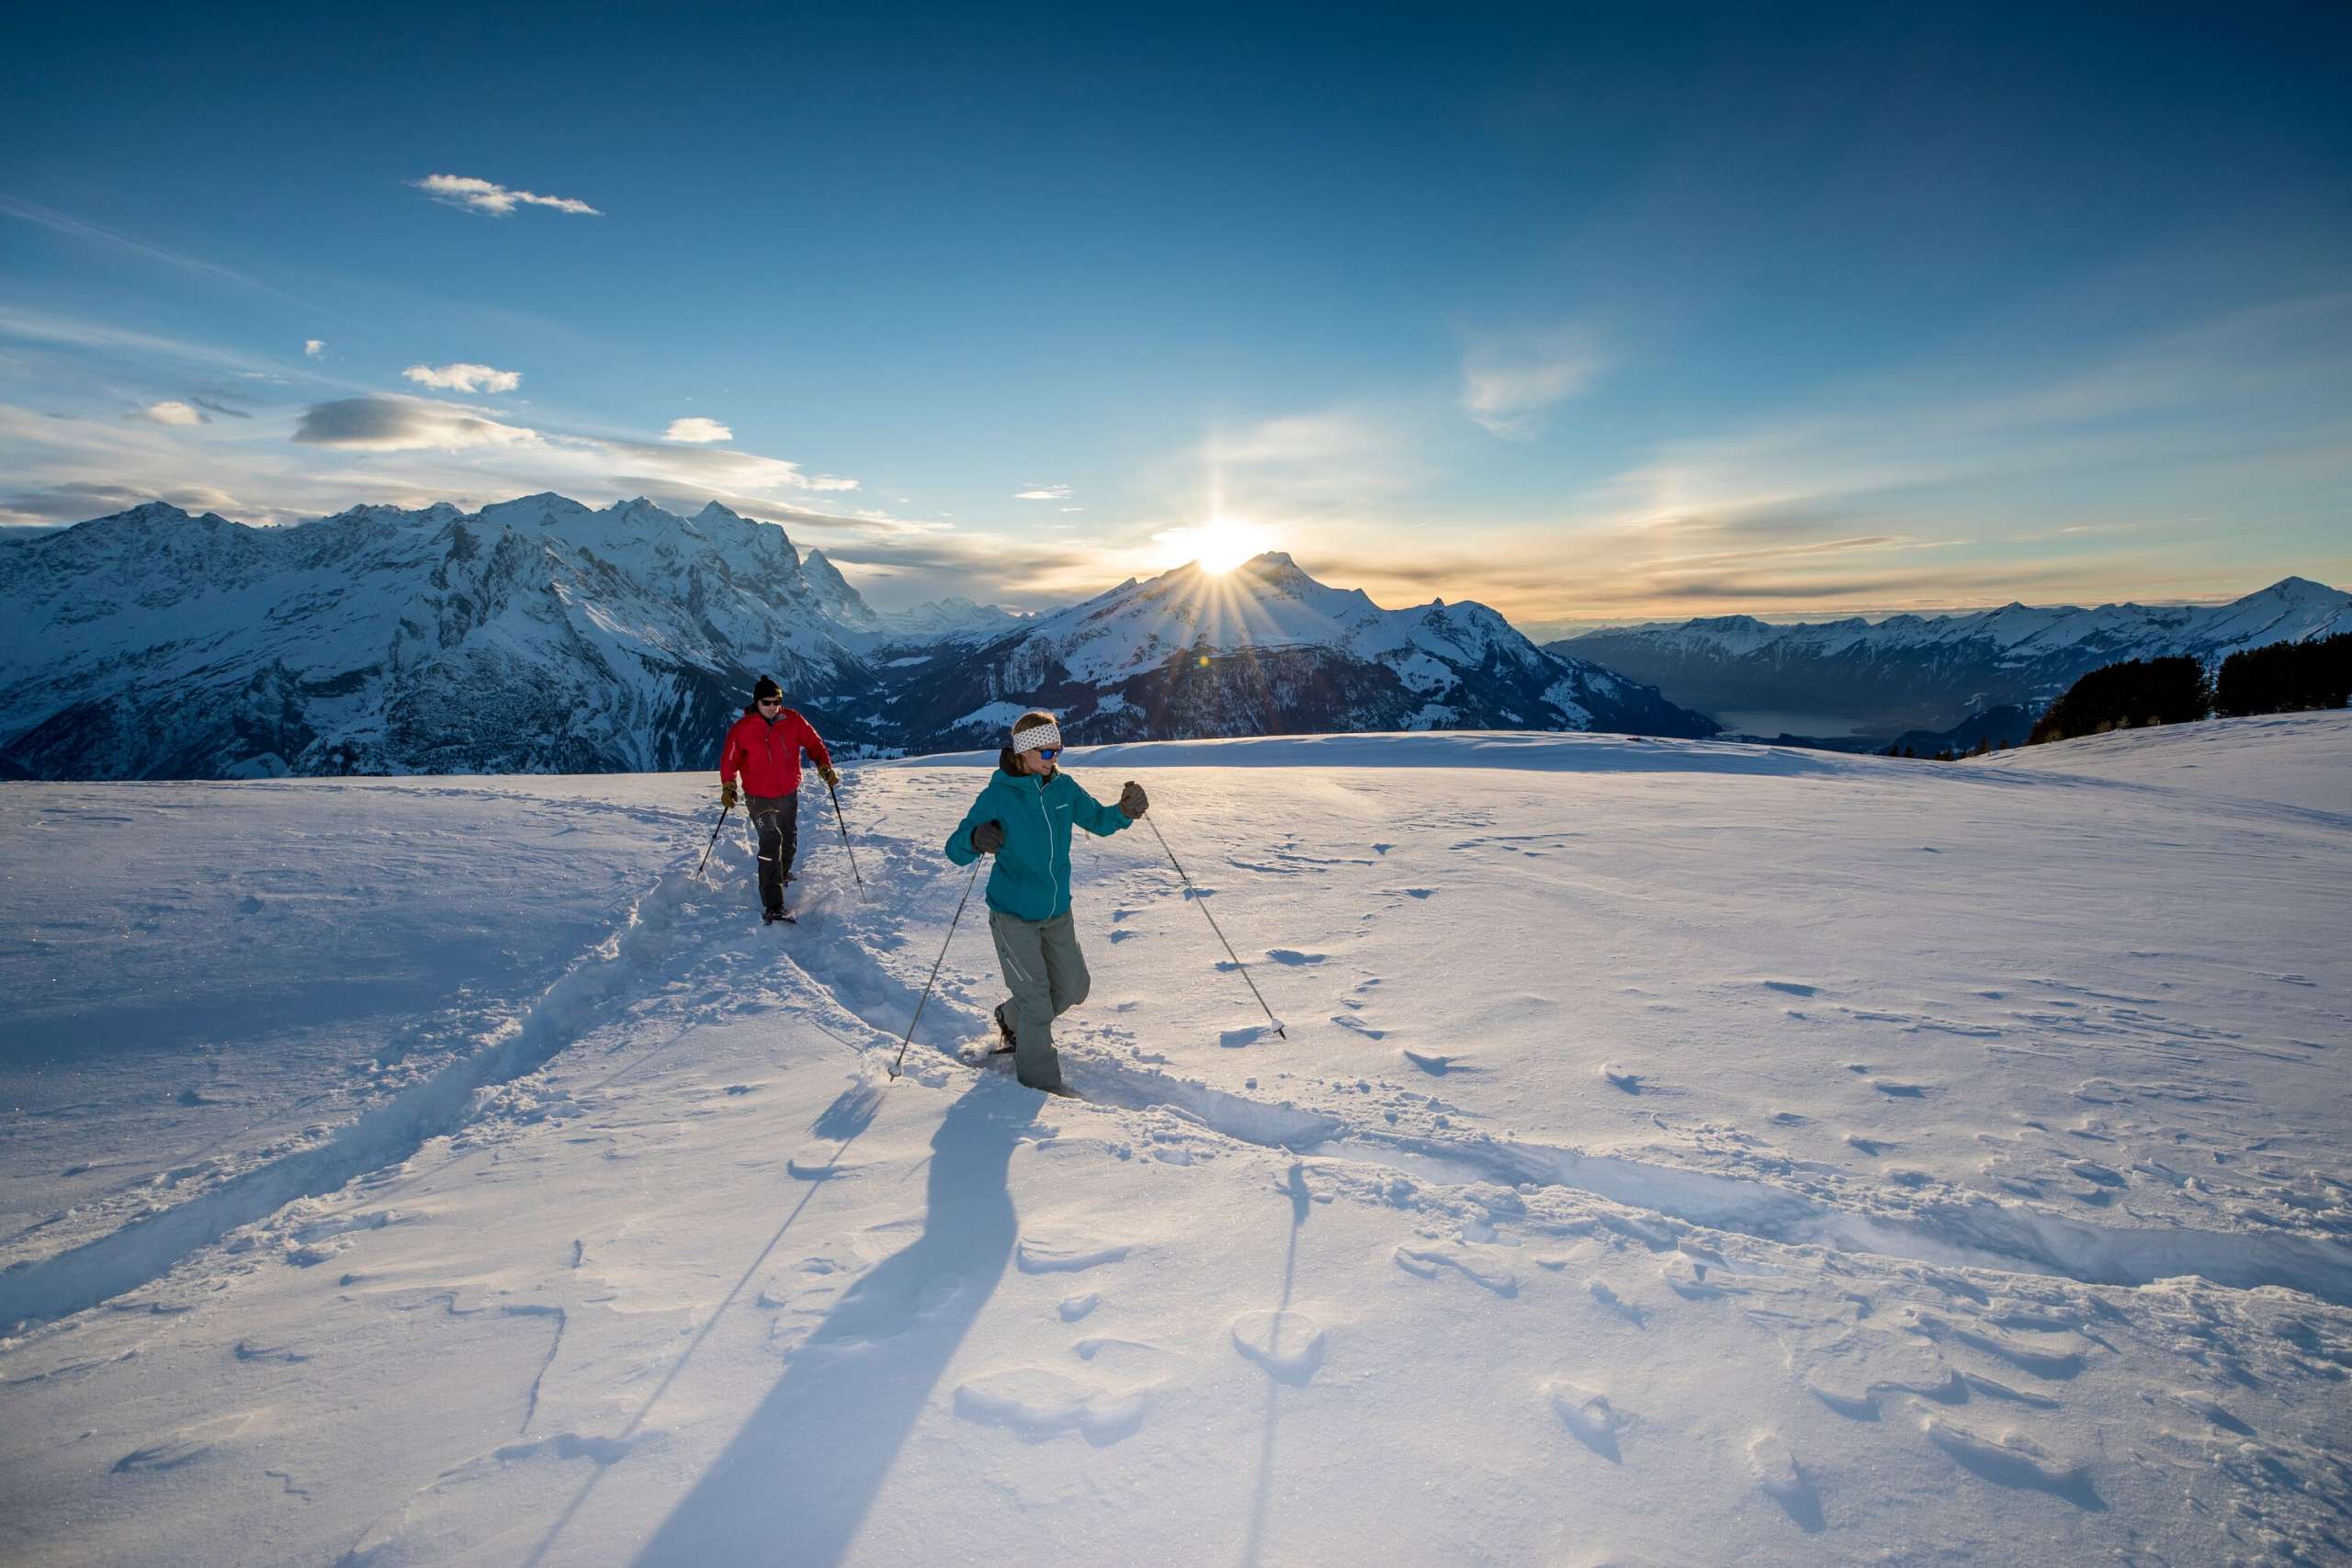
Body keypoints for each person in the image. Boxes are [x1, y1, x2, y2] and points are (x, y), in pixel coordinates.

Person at [945, 710, 1147, 1096]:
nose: (1056, 757)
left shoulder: (1063, 789)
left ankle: (1011, 1016)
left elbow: (1100, 821)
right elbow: (954, 849)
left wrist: (1125, 811)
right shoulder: (998, 796)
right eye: (1048, 751)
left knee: (1073, 987)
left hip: (1057, 912)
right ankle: (1040, 1091)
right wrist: (975, 838)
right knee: (1038, 1004)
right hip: (1013, 916)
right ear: (1024, 752)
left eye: (1059, 750)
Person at [720, 676, 838, 923]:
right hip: (757, 796)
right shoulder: (742, 729)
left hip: (787, 791)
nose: (773, 706)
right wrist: (729, 785)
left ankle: (782, 873)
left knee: (789, 835)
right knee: (771, 840)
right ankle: (773, 904)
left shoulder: (793, 720)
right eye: (767, 702)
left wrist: (824, 765)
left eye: (777, 701)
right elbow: (729, 760)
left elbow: (814, 743)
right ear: (756, 702)